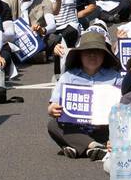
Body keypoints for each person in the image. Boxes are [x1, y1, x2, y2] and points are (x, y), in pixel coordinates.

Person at [47, 31, 124, 159]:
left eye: (97, 52)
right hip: (76, 128)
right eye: (88, 52)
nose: (92, 55)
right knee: (53, 125)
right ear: (80, 55)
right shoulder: (68, 77)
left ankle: (78, 147)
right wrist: (52, 109)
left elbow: (126, 103)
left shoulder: (115, 77)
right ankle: (93, 146)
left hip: (105, 129)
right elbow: (53, 105)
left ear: (104, 55)